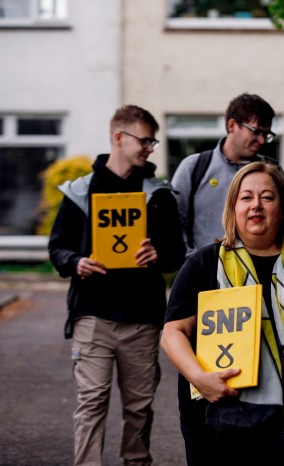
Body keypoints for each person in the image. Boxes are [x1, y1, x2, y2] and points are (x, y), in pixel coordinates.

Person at [161, 162, 284, 466]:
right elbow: (173, 332)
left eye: (267, 197)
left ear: (282, 209)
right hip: (216, 423)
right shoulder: (205, 264)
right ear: (233, 208)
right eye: (246, 197)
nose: (256, 205)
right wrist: (199, 378)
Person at [48, 105, 186, 466]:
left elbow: (176, 253)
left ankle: (136, 463)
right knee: (91, 402)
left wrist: (157, 254)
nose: (150, 148)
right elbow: (58, 246)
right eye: (145, 140)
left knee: (139, 408)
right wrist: (76, 261)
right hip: (92, 316)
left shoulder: (158, 194)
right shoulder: (81, 191)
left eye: (153, 141)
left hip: (141, 319)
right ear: (118, 138)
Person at [171, 93, 281, 257]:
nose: (262, 140)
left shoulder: (272, 171)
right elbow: (173, 222)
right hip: (205, 275)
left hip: (257, 272)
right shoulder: (193, 167)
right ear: (231, 126)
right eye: (257, 132)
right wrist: (193, 260)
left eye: (266, 135)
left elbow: (282, 220)